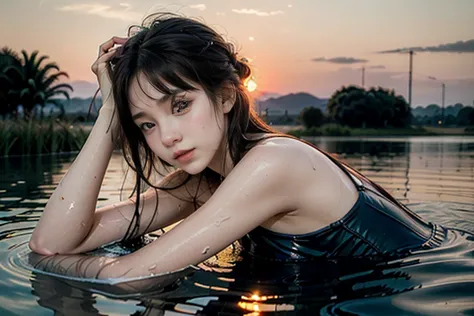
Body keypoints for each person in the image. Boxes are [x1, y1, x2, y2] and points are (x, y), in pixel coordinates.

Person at [28, 13, 449, 280]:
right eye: (146, 124)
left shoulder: (276, 163)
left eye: (180, 104)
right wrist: (110, 113)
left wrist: (51, 269)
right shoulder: (206, 180)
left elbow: (128, 275)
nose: (167, 136)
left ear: (227, 95)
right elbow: (53, 241)